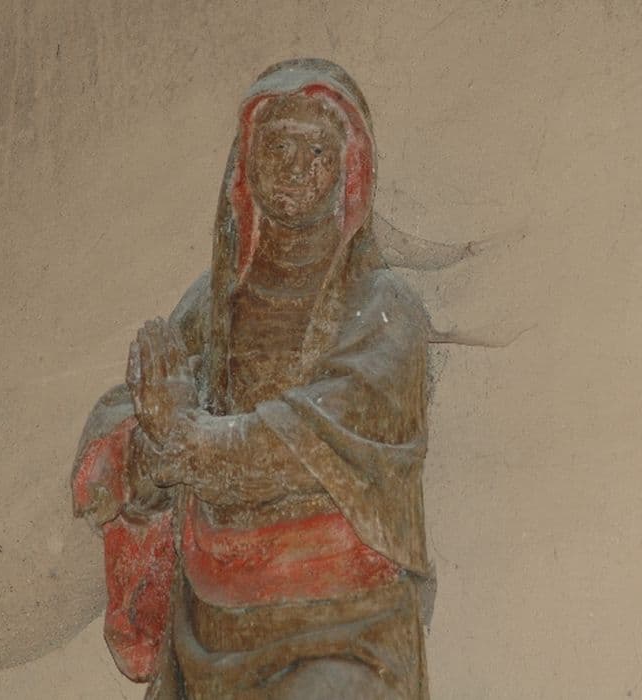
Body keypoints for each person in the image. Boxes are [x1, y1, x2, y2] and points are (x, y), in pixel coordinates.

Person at [72, 58, 433, 699]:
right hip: (207, 629)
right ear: (246, 164)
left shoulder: (385, 310)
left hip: (343, 630)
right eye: (279, 147)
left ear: (348, 169)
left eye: (316, 150)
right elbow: (127, 424)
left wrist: (187, 439)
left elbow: (303, 441)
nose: (296, 167)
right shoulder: (213, 306)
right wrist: (148, 450)